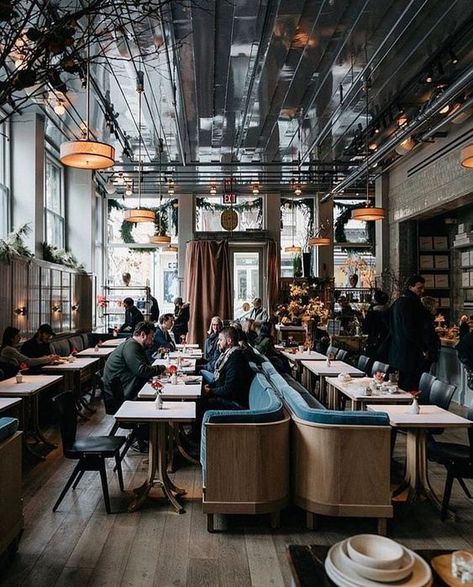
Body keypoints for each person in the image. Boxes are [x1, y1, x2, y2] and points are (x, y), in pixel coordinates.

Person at [190, 327, 254, 441]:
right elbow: (222, 380)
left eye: (220, 339)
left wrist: (211, 391)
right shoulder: (230, 354)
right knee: (200, 399)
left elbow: (229, 389)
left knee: (203, 402)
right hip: (231, 396)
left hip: (236, 403)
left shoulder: (235, 358)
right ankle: (193, 437)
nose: (218, 342)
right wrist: (211, 386)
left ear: (229, 341)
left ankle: (195, 441)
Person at [102, 321, 166, 411]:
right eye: (151, 337)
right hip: (122, 397)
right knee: (161, 398)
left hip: (126, 388)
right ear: (143, 335)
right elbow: (141, 370)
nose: (152, 341)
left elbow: (146, 366)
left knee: (160, 393)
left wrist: (157, 371)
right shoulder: (131, 346)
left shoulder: (135, 345)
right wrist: (163, 368)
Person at [387, 275, 426, 390]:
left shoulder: (398, 301)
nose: (422, 291)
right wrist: (423, 346)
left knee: (401, 386)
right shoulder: (412, 303)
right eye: (419, 288)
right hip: (410, 352)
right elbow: (410, 329)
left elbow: (388, 320)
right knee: (410, 387)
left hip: (397, 350)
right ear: (410, 287)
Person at [363, 290, 390, 359]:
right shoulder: (389, 311)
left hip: (373, 340)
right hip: (386, 342)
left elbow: (366, 328)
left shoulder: (372, 311)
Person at [199, 316, 223, 384]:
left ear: (220, 325)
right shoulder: (211, 336)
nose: (215, 327)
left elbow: (215, 361)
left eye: (217, 325)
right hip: (209, 362)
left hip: (213, 367)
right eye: (213, 325)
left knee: (197, 369)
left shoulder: (220, 339)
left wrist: (205, 366)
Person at [421, 296, 441, 373]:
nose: (436, 307)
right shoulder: (427, 318)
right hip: (427, 351)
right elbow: (427, 335)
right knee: (425, 372)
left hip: (426, 351)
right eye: (435, 305)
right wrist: (426, 350)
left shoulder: (423, 317)